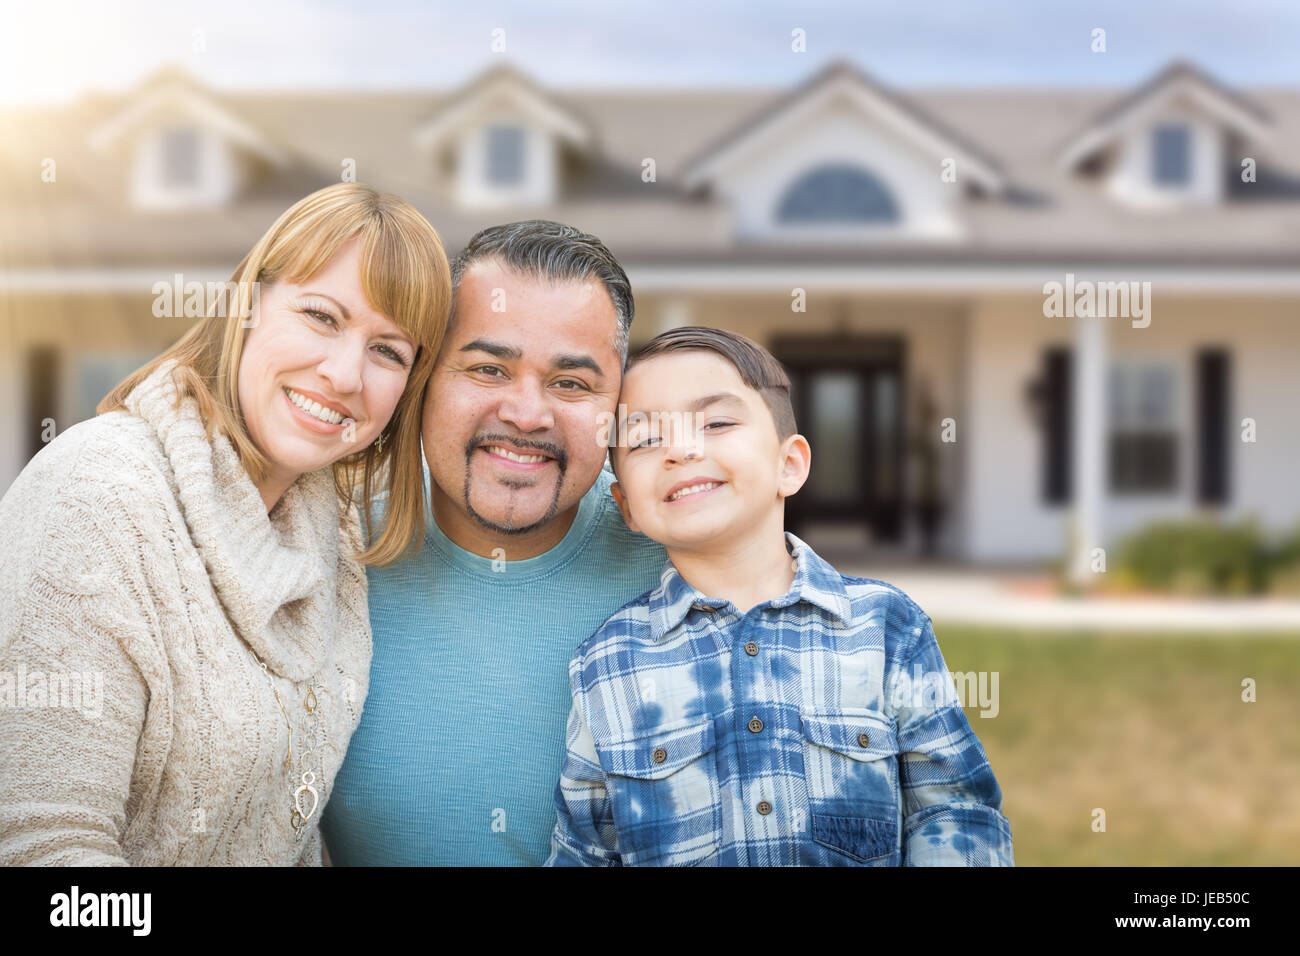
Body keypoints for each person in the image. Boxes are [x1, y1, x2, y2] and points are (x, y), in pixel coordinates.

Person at [0, 183, 451, 865]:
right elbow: (42, 854)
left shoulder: (331, 534)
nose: (343, 373)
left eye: (388, 351)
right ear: (247, 305)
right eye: (321, 316)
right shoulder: (100, 497)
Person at [544, 327, 1015, 866]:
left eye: (716, 422)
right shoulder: (607, 664)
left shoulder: (887, 629)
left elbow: (954, 810)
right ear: (626, 504)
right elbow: (585, 849)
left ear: (789, 464)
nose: (681, 449)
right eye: (646, 439)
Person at [321, 221, 667, 866]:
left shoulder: (679, 562)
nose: (527, 414)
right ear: (424, 378)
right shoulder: (327, 548)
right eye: (487, 369)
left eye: (571, 384)